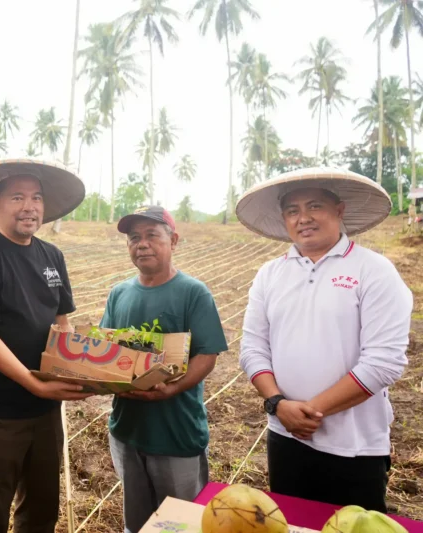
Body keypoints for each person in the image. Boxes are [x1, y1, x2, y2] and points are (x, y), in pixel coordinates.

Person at [237, 167, 413, 512]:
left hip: (355, 445)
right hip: (284, 436)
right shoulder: (270, 274)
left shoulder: (373, 271)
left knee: (353, 524)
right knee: (294, 522)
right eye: (292, 210)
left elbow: (384, 361)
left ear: (339, 210)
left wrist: (312, 411)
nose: (303, 218)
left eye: (314, 206)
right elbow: (253, 348)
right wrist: (277, 405)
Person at [0, 159, 92, 533]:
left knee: (42, 507)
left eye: (36, 197)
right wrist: (35, 382)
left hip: (45, 407)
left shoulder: (52, 256)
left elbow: (62, 322)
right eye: (17, 197)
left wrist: (81, 371)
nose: (29, 206)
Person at [99, 205, 229, 533]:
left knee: (180, 525)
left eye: (152, 236)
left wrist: (171, 388)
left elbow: (207, 354)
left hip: (176, 432)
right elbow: (106, 351)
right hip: (127, 430)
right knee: (137, 523)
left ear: (173, 240)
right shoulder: (119, 294)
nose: (142, 244)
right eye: (134, 238)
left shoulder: (193, 293)